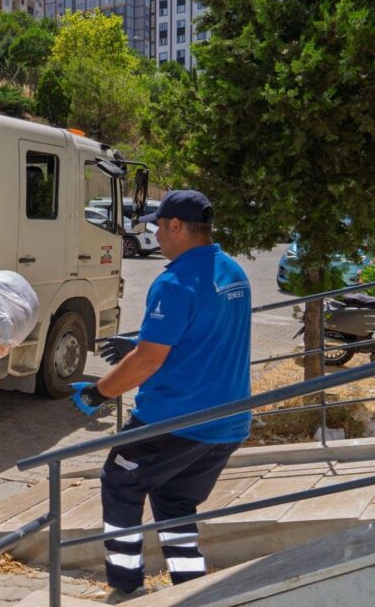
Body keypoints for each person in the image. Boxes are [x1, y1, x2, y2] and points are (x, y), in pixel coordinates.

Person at [68, 190, 252, 603]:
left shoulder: (173, 281)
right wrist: (138, 340)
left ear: (176, 227)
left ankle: (127, 586)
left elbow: (148, 361)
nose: (154, 233)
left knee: (119, 482)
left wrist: (99, 392)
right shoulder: (233, 272)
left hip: (174, 421)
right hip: (228, 423)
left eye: (157, 225)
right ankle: (193, 588)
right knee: (174, 501)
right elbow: (203, 331)